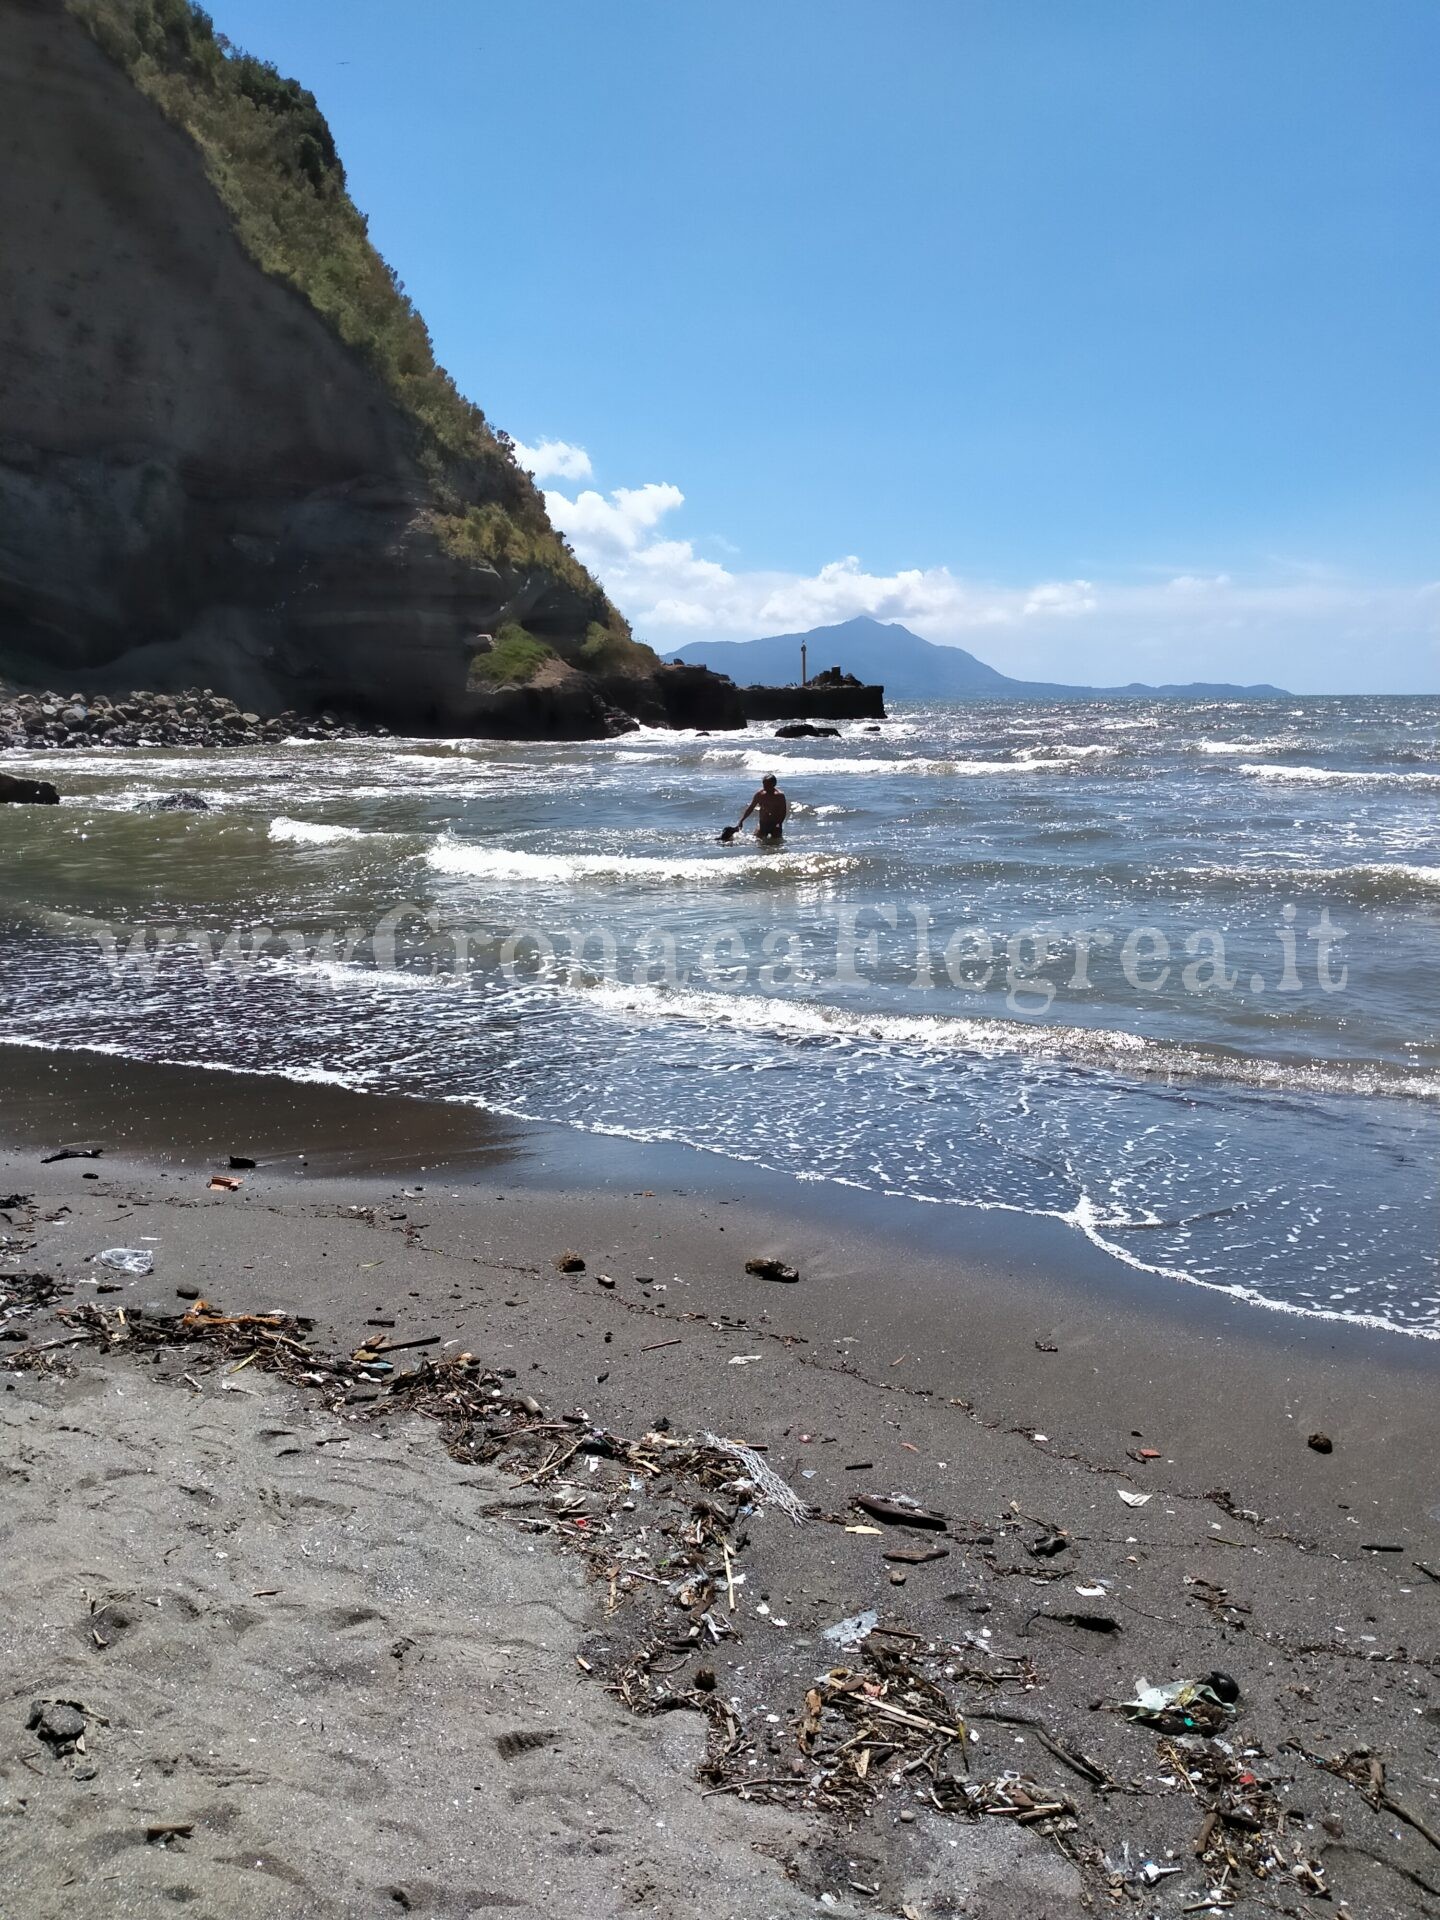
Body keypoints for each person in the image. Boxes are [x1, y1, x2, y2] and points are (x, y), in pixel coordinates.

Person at [735, 772, 788, 841]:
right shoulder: (760, 794)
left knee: (776, 845)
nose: (765, 787)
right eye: (764, 785)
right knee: (757, 842)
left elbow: (783, 811)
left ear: (774, 784)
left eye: (767, 785)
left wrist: (779, 823)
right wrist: (742, 820)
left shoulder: (779, 796)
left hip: (775, 824)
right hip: (763, 823)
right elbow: (751, 808)